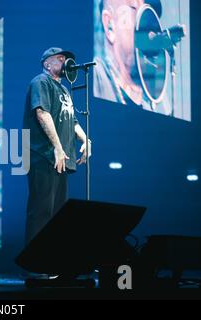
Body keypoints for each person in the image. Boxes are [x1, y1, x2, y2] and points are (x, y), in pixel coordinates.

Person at [23, 47, 92, 246]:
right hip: (44, 155)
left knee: (57, 213)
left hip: (60, 158)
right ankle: (33, 264)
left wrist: (85, 139)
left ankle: (51, 260)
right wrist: (58, 147)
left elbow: (73, 121)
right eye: (60, 59)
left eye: (66, 59)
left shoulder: (63, 89)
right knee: (41, 210)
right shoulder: (40, 82)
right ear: (47, 63)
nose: (65, 62)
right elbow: (42, 113)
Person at [94, 0, 170, 114]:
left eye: (149, 12)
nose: (148, 25)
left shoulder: (161, 104)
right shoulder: (94, 76)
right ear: (110, 25)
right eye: (135, 8)